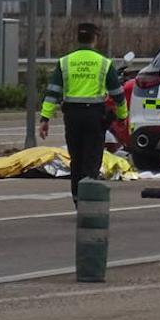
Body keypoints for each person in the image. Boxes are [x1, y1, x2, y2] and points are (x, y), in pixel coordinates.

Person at [39, 23, 125, 204]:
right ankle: (89, 199)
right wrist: (122, 116)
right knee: (92, 159)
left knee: (76, 159)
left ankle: (77, 198)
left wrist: (44, 118)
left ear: (77, 38)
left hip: (72, 116)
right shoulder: (104, 62)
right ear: (95, 38)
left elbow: (53, 92)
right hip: (95, 117)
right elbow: (118, 94)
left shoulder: (65, 62)